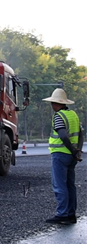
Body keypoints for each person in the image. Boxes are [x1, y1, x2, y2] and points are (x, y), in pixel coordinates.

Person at [41, 88, 83, 224]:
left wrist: (72, 150)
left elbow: (63, 136)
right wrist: (77, 151)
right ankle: (71, 214)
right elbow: (81, 134)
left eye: (52, 103)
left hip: (60, 154)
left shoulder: (58, 116)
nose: (51, 105)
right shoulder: (73, 115)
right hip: (72, 156)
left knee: (59, 185)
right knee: (70, 185)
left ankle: (62, 214)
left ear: (56, 103)